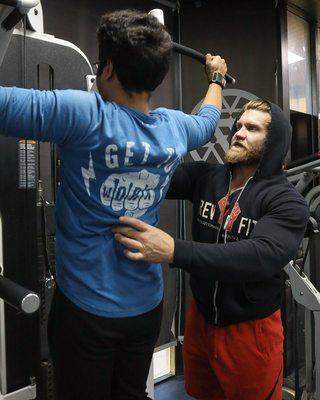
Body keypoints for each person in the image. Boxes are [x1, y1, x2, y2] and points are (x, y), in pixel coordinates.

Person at [0, 8, 227, 400]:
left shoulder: (84, 115)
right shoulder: (175, 128)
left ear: (106, 71)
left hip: (86, 312)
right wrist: (217, 77)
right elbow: (208, 118)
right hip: (145, 309)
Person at [113, 99, 310, 400]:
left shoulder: (286, 201)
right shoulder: (207, 177)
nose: (239, 133)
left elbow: (258, 256)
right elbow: (151, 177)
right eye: (239, 126)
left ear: (273, 142)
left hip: (250, 331)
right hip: (201, 321)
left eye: (252, 129)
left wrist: (174, 250)